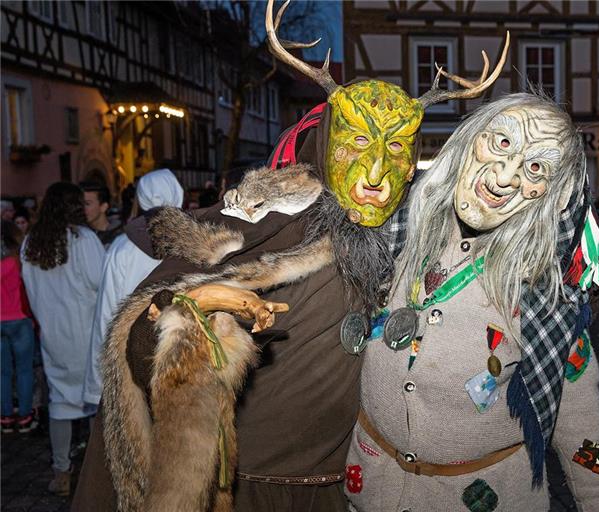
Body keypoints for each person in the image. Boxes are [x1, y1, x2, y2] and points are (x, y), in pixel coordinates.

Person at [71, 1, 508, 508]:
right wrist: (193, 311)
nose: (373, 174)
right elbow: (141, 347)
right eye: (358, 142)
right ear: (325, 146)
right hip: (251, 488)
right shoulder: (271, 227)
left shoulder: (414, 236)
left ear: (412, 165)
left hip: (347, 485)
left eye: (394, 150)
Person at [345, 93, 599, 511]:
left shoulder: (546, 292)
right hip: (373, 488)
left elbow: (581, 418)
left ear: (552, 192)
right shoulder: (395, 233)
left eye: (535, 168)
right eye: (502, 144)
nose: (503, 178)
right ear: (467, 139)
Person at [21, 182, 106, 496]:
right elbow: (101, 281)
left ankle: (61, 472)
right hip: (84, 334)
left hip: (53, 335)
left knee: (59, 403)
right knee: (97, 401)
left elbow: (29, 290)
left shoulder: (31, 243)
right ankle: (101, 471)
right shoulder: (83, 240)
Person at [82, 169, 184, 409]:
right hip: (180, 356)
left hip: (133, 360)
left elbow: (106, 315)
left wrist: (97, 385)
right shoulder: (195, 245)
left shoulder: (121, 249)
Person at [1, 221, 37, 433]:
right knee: (24, 370)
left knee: (3, 372)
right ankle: (24, 415)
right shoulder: (18, 262)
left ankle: (5, 415)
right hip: (20, 319)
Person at [80, 182, 122, 247]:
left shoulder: (119, 237)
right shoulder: (79, 235)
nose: (82, 208)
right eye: (80, 204)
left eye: (87, 204)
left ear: (103, 207)